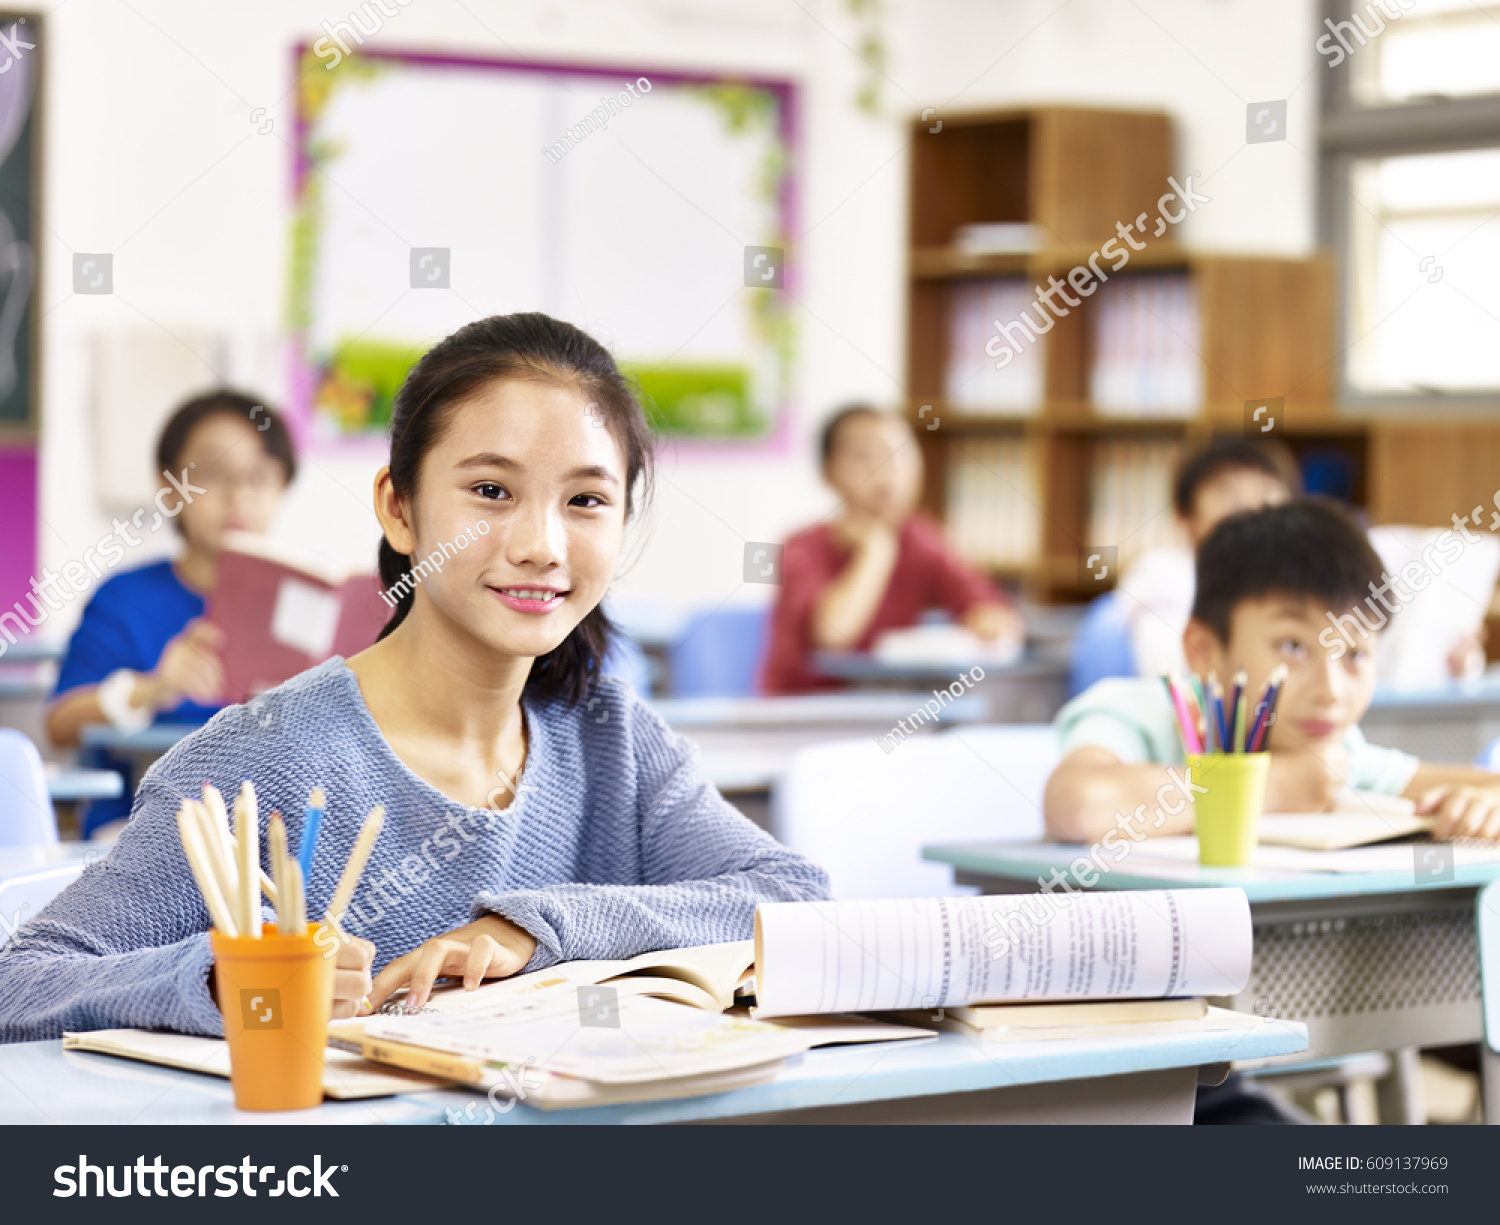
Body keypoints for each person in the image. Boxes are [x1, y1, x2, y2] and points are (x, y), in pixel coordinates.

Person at [0, 313, 830, 1042]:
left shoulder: (614, 736)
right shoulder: (259, 761)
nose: (542, 543)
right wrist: (226, 979)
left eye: (585, 501)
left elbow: (795, 895)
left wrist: (534, 929)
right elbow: (21, 981)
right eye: (491, 490)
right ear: (399, 508)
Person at [1045, 498, 1500, 846]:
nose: (1330, 691)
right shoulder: (1138, 715)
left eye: (1355, 655)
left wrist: (1488, 805)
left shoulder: (1330, 753)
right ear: (1204, 650)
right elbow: (1081, 805)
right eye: (1294, 647)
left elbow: (1475, 785)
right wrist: (1277, 785)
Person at [45, 391, 297, 837]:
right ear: (169, 485)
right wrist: (152, 689)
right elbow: (59, 724)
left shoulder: (306, 603)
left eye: (259, 477)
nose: (238, 495)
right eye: (214, 474)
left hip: (278, 833)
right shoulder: (125, 599)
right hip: (141, 829)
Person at [762, 404, 1024, 693]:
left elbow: (987, 606)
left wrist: (989, 622)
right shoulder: (800, 548)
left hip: (888, 709)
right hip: (802, 713)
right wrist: (875, 552)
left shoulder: (921, 539)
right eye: (863, 457)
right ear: (828, 472)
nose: (886, 473)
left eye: (900, 456)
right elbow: (833, 636)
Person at [1116, 436, 1298, 679]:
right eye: (1226, 490)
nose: (1248, 504)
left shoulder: (1300, 575)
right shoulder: (1163, 573)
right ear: (1185, 516)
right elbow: (1165, 666)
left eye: (1265, 489)